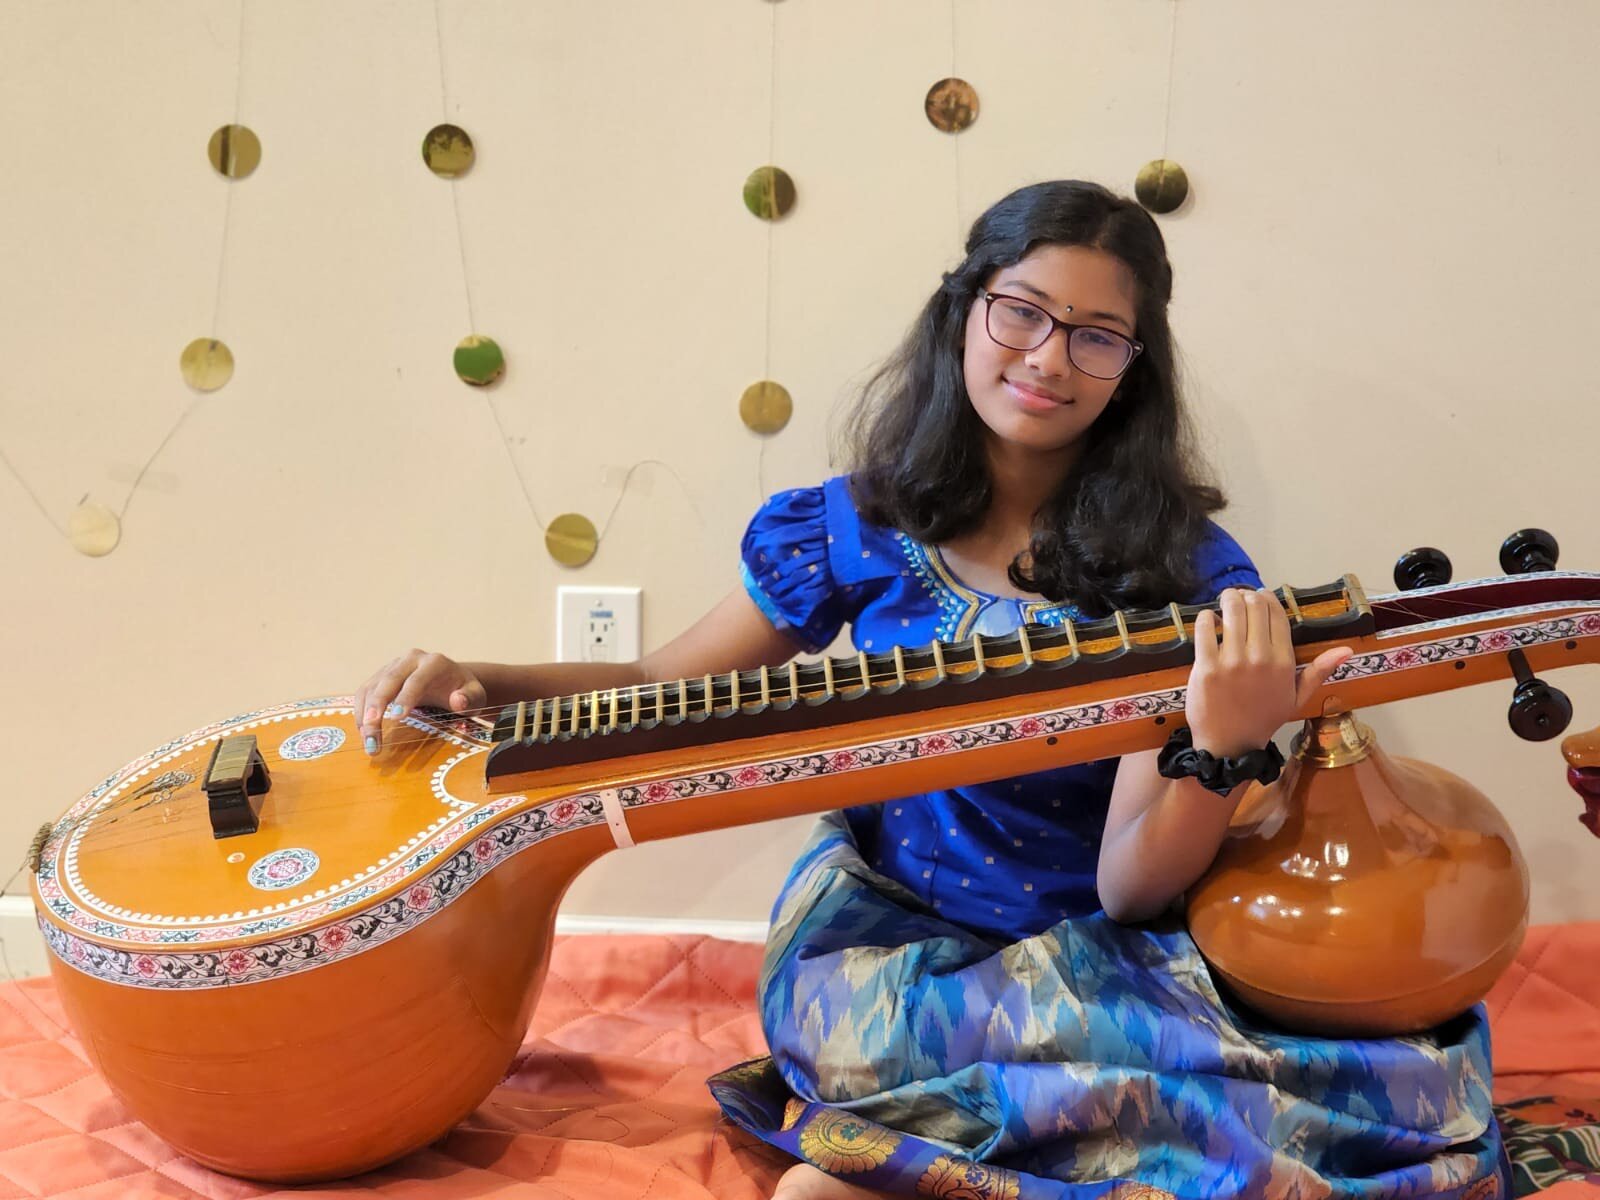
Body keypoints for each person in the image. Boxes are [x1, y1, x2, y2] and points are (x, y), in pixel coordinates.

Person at [353, 181, 1508, 1200]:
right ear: (966, 310)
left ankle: (908, 1169)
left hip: (1091, 947)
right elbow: (664, 686)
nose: (1049, 359)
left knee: (1393, 1092)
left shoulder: (1182, 579)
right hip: (894, 954)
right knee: (901, 1047)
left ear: (1133, 369)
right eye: (1023, 313)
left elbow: (1128, 886)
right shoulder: (857, 523)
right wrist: (487, 680)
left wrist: (1221, 747)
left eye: (1099, 337)